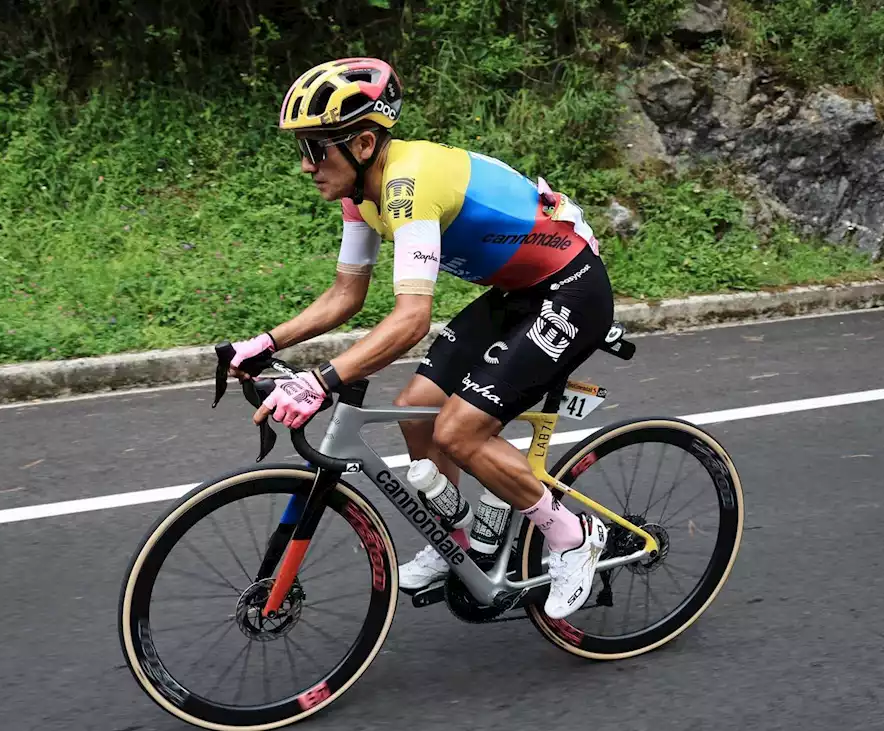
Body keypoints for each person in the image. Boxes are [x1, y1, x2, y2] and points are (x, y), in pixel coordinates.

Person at [227, 57, 614, 621]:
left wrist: (320, 381)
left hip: (571, 288)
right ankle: (455, 540)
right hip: (516, 290)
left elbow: (410, 320)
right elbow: (346, 295)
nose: (306, 165)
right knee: (414, 410)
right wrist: (264, 342)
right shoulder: (358, 194)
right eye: (302, 150)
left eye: (315, 148)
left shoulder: (408, 184)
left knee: (458, 430)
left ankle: (573, 536)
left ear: (362, 143)